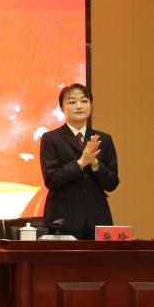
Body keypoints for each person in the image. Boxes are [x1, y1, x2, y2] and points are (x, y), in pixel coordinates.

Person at [40, 83, 119, 239]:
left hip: (97, 218)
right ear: (62, 108)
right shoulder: (51, 138)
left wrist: (95, 163)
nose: (79, 106)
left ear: (91, 105)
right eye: (72, 102)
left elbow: (112, 183)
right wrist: (81, 162)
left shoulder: (103, 139)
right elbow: (52, 180)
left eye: (84, 101)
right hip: (63, 219)